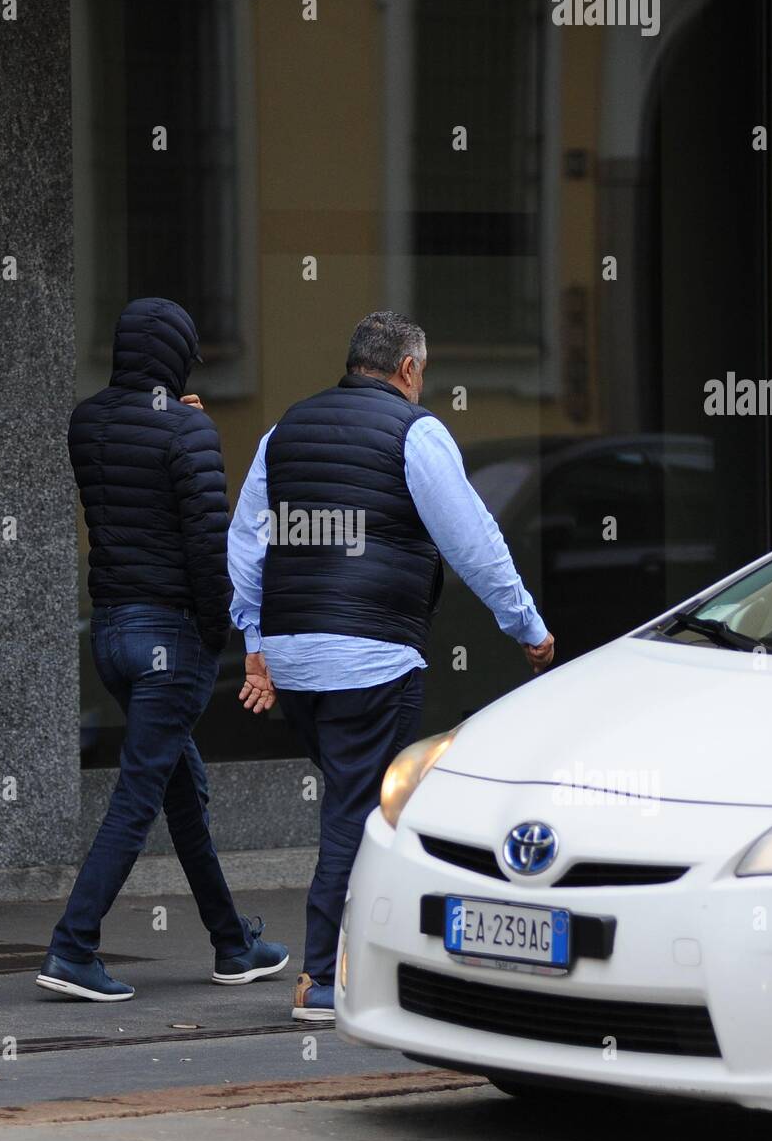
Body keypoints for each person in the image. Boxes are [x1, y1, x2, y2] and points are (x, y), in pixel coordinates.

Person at [228, 311, 553, 1021]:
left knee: (354, 796)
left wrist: (255, 639)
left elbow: (247, 538)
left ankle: (370, 957)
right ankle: (322, 977)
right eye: (424, 372)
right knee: (357, 809)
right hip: (369, 654)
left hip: (295, 657)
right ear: (408, 370)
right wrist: (525, 624)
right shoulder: (417, 432)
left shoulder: (286, 429)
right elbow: (472, 538)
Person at [37, 297, 288, 1002]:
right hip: (170, 640)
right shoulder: (190, 433)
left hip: (113, 635)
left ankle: (233, 943)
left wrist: (178, 419)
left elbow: (132, 455)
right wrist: (221, 636)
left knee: (184, 788)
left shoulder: (86, 422)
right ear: (175, 361)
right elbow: (209, 552)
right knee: (139, 795)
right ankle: (72, 947)